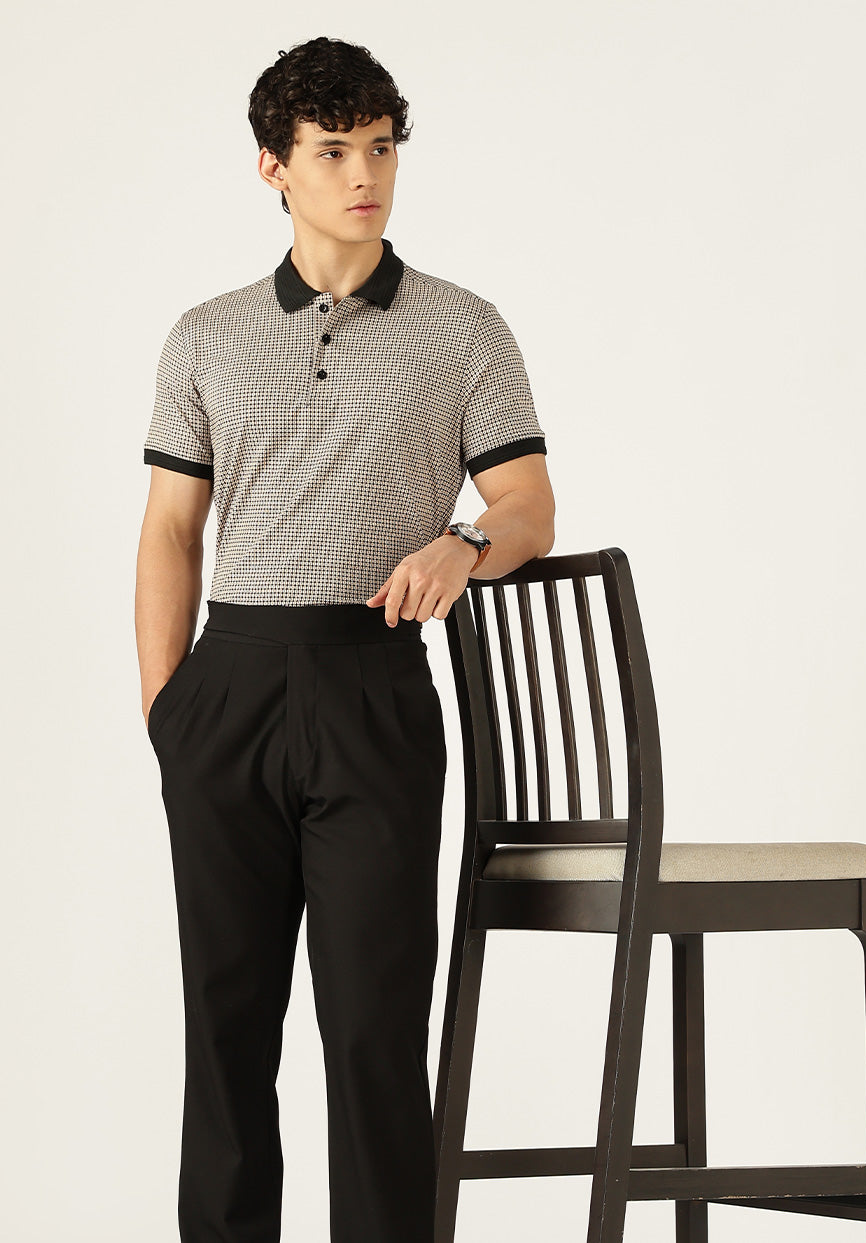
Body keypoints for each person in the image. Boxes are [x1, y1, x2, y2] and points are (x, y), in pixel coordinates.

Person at [134, 34, 555, 1243]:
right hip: (227, 692)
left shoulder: (463, 329)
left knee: (374, 1029)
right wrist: (169, 715)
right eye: (332, 151)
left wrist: (464, 545)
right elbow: (171, 531)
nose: (364, 174)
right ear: (273, 166)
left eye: (379, 147)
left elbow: (528, 506)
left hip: (374, 686)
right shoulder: (205, 336)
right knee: (225, 1028)